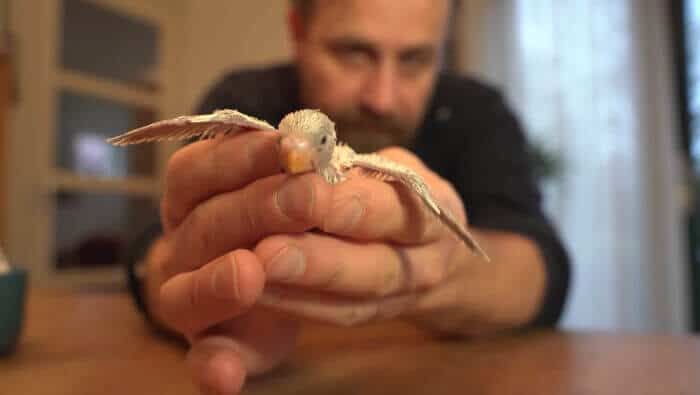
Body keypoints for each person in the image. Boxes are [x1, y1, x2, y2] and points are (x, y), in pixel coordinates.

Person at [124, 1, 570, 394]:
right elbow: (154, 250)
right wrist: (185, 272)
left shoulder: (478, 113)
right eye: (353, 52)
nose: (382, 97)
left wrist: (448, 268)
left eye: (416, 59)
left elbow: (542, 266)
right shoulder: (247, 99)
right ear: (298, 31)